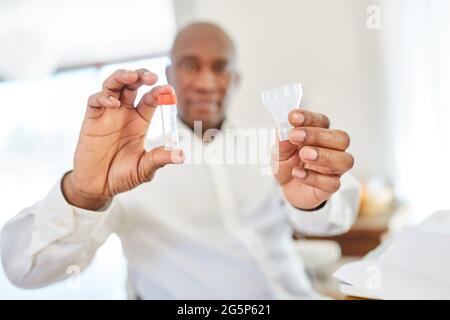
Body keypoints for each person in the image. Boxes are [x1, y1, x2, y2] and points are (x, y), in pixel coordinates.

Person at [1, 22, 360, 299]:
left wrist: (317, 201)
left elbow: (334, 220)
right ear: (171, 75)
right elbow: (25, 270)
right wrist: (83, 193)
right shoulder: (129, 167)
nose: (206, 82)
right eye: (191, 65)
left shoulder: (274, 147)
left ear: (235, 80)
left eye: (220, 68)